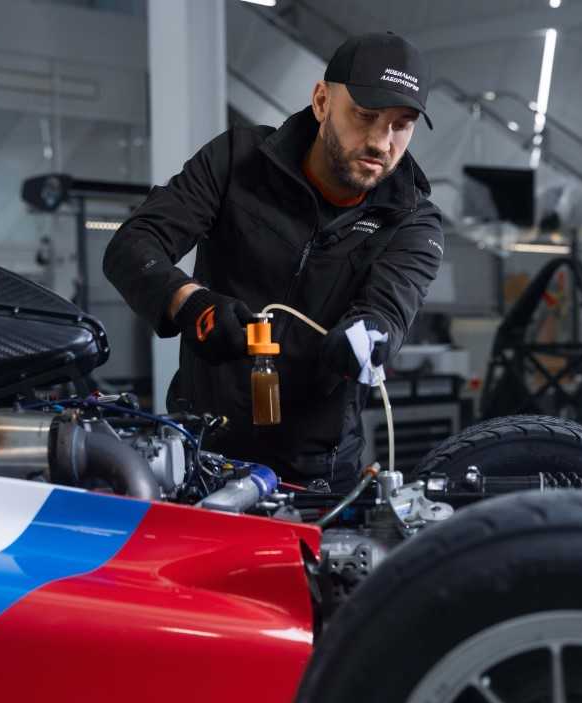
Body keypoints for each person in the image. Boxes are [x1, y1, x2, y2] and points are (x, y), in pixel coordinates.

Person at [104, 31, 443, 490]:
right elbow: (132, 245)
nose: (382, 143)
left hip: (317, 477)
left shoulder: (413, 220)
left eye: (401, 125)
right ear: (322, 101)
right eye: (365, 116)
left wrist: (366, 339)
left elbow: (388, 309)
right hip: (201, 452)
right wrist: (190, 304)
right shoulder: (236, 161)